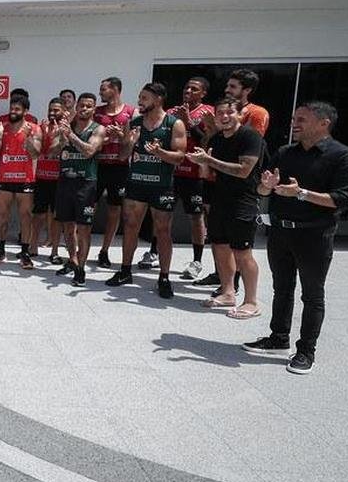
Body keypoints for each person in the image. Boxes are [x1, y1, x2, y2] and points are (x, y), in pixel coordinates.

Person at [243, 101, 348, 375]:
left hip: (314, 236)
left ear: (323, 123)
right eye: (295, 118)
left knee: (312, 295)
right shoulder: (285, 153)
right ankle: (278, 338)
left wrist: (301, 193)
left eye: (302, 119)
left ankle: (306, 351)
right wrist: (266, 186)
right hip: (280, 233)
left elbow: (343, 199)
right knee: (282, 289)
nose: (295, 123)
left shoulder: (343, 157)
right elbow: (262, 189)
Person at [104, 83, 188, 298]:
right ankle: (125, 271)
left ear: (158, 99)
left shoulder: (174, 124)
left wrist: (160, 152)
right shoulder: (135, 123)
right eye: (140, 97)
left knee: (163, 231)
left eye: (145, 97)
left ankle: (164, 277)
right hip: (136, 184)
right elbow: (123, 156)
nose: (140, 101)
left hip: (162, 186)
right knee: (130, 226)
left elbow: (179, 157)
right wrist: (128, 143)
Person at [186, 97, 264, 319]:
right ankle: (228, 292)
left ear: (240, 114)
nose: (224, 116)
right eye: (220, 113)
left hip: (243, 202)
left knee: (242, 253)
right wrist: (202, 164)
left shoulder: (250, 136)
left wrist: (210, 161)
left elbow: (244, 170)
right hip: (219, 199)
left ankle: (251, 301)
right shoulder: (217, 139)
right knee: (220, 248)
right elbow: (208, 174)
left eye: (230, 112)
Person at [49, 92, 105, 286]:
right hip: (65, 181)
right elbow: (52, 152)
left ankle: (81, 269)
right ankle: (72, 259)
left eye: (88, 106)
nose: (84, 109)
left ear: (94, 109)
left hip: (86, 183)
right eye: (81, 105)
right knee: (67, 225)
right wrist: (62, 138)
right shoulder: (66, 127)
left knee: (84, 228)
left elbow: (89, 151)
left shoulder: (99, 129)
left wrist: (71, 136)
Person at [167, 77, 216, 282]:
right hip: (171, 172)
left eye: (194, 89)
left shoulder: (209, 113)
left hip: (195, 174)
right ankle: (153, 252)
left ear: (203, 93)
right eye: (186, 87)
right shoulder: (170, 112)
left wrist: (189, 122)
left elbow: (210, 140)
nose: (188, 91)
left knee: (196, 217)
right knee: (162, 214)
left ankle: (196, 261)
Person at [0, 93, 42, 267]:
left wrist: (28, 137)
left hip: (25, 179)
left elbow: (35, 153)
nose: (13, 112)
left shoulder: (34, 128)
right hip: (4, 179)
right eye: (11, 108)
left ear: (25, 111)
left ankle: (25, 253)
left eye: (17, 109)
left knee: (26, 216)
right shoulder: (2, 128)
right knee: (2, 215)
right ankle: (0, 251)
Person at [94, 77, 137, 268]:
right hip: (97, 165)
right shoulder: (96, 113)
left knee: (114, 210)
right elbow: (90, 139)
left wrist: (122, 137)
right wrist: (104, 139)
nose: (100, 93)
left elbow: (135, 142)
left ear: (116, 89)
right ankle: (80, 247)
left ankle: (104, 250)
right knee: (88, 206)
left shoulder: (131, 112)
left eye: (103, 89)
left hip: (119, 168)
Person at [29, 98, 66, 264]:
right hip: (42, 177)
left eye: (56, 110)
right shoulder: (41, 127)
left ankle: (55, 251)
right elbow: (37, 152)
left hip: (60, 179)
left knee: (57, 217)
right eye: (50, 110)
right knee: (37, 214)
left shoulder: (68, 129)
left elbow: (54, 151)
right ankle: (32, 246)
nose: (52, 113)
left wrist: (61, 136)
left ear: (64, 112)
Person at [226, 68, 270, 137]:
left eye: (232, 87)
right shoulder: (221, 110)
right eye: (227, 86)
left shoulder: (256, 112)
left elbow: (253, 141)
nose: (227, 90)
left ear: (247, 90)